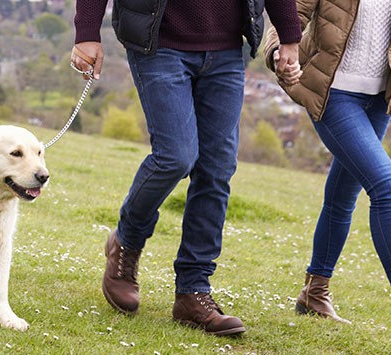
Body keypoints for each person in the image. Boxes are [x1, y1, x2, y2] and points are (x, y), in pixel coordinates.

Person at [71, 0, 302, 337]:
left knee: (216, 169)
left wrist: (289, 37)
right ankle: (126, 243)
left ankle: (193, 293)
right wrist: (86, 33)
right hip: (158, 42)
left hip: (225, 49)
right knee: (175, 156)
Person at [262, 0, 391, 340]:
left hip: (380, 97)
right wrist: (279, 52)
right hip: (332, 92)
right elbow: (289, 11)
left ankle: (314, 292)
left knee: (342, 194)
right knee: (386, 185)